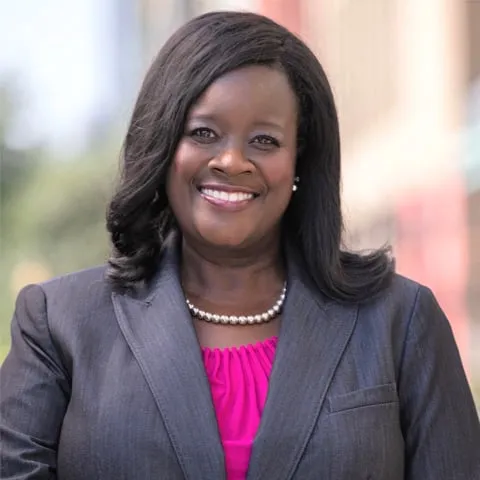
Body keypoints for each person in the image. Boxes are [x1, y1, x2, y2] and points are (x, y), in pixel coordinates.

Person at [1, 10, 479, 480]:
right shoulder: (57, 323)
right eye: (203, 133)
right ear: (165, 147)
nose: (232, 160)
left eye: (265, 141)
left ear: (299, 161)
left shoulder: (401, 320)